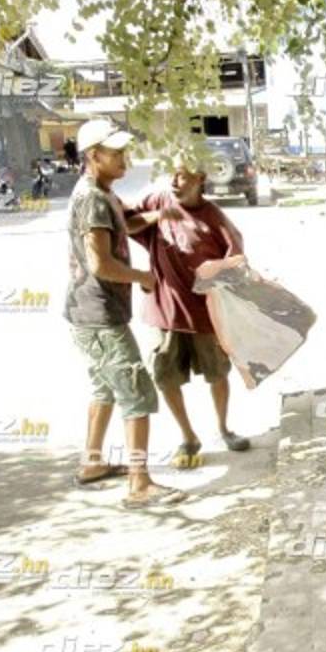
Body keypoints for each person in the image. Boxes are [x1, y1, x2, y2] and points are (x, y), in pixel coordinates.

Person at [65, 119, 185, 508]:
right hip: (99, 314)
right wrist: (143, 277)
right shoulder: (94, 199)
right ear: (92, 156)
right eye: (115, 153)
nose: (124, 160)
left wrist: (158, 216)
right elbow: (101, 264)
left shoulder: (102, 193)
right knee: (136, 392)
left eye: (124, 152)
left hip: (87, 314)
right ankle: (139, 483)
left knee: (105, 387)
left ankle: (92, 463)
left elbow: (124, 226)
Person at [126, 154, 251, 466]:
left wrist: (218, 275)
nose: (174, 182)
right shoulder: (157, 200)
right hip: (165, 313)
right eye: (173, 174)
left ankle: (224, 429)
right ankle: (188, 436)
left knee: (217, 374)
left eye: (182, 176)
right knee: (165, 376)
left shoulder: (215, 218)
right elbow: (126, 225)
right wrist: (158, 216)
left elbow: (237, 259)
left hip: (206, 316)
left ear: (200, 180)